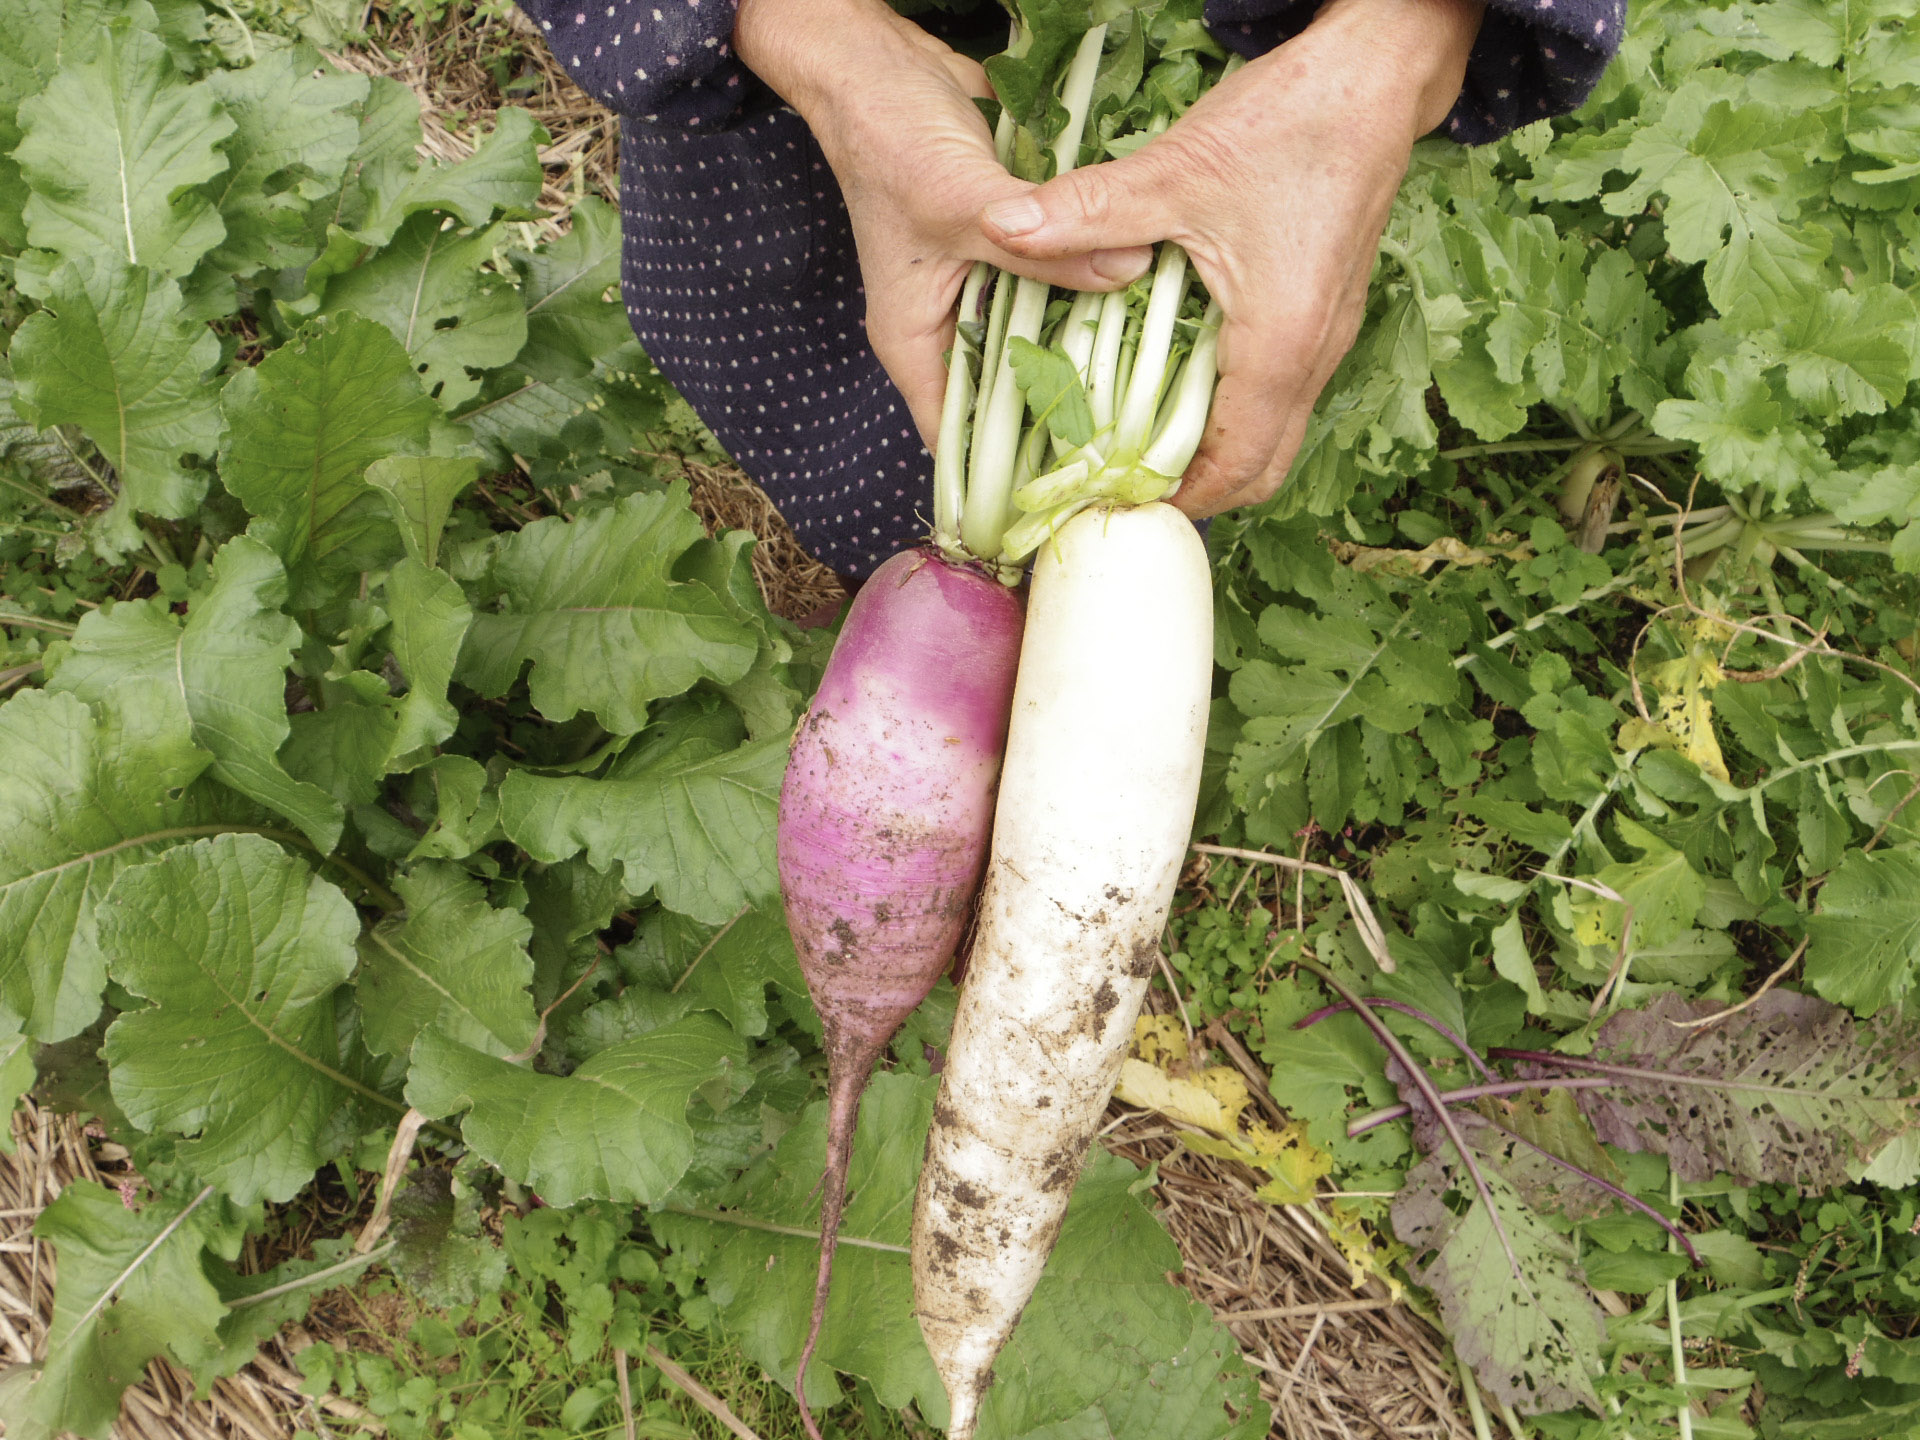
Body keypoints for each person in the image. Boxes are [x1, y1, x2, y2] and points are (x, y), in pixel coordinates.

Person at [513, 0, 1624, 582]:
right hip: (786, 77)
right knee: (831, 389)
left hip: (1270, 51)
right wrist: (811, 39)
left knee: (1193, 457)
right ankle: (905, 595)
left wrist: (1395, 41)